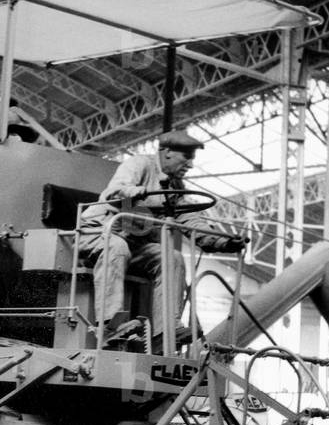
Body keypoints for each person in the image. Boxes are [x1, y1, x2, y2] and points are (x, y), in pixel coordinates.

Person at [78, 128, 246, 344]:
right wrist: (130, 191)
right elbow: (113, 191)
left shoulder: (175, 187)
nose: (191, 165)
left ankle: (165, 332)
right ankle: (112, 326)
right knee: (117, 247)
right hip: (97, 232)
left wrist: (223, 242)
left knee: (171, 257)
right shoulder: (139, 164)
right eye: (186, 157)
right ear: (166, 152)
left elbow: (191, 221)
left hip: (133, 243)